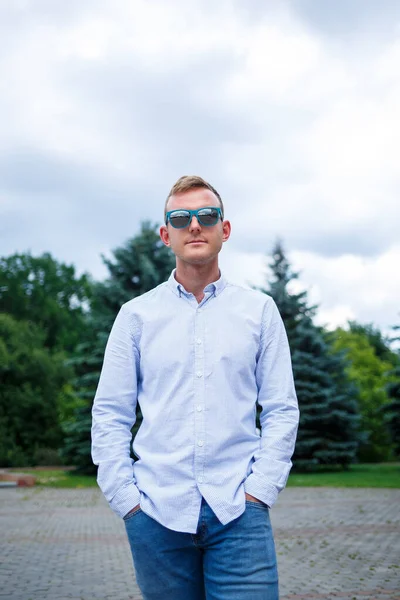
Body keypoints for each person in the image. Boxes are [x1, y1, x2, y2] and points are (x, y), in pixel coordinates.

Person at [91, 175, 299, 600]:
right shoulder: (135, 316)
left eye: (207, 215)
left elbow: (281, 409)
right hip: (156, 514)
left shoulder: (259, 311)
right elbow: (110, 413)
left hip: (240, 513)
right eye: (181, 218)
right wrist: (127, 500)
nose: (195, 226)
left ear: (225, 229)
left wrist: (260, 491)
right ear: (166, 235)